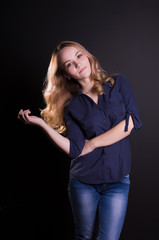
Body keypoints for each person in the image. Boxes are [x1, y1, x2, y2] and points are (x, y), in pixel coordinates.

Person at [18, 41, 142, 240]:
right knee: (83, 236)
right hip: (83, 182)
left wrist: (92, 143)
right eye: (68, 64)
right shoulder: (72, 107)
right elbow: (75, 150)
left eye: (78, 56)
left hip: (118, 182)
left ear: (87, 55)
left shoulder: (118, 84)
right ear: (66, 74)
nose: (77, 64)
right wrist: (42, 124)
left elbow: (132, 122)